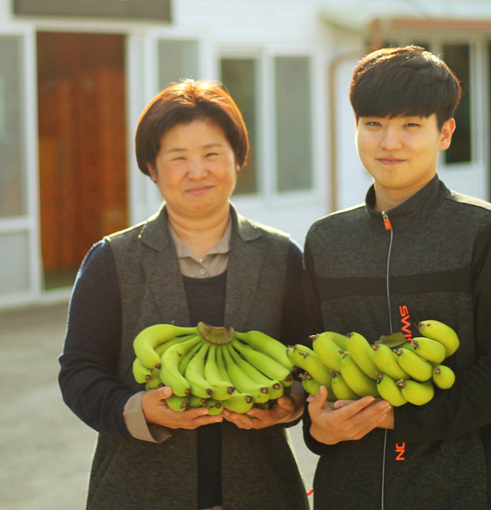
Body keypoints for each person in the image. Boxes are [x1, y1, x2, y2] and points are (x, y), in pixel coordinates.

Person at [302, 46, 491, 510]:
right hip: (347, 491)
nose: (389, 142)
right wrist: (318, 429)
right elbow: (308, 362)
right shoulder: (326, 240)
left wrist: (401, 417)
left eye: (410, 125)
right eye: (373, 124)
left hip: (459, 491)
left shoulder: (487, 232)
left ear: (445, 132)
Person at [59, 79, 309, 510]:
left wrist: (290, 406)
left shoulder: (281, 256)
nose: (198, 171)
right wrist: (137, 408)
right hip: (136, 491)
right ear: (152, 168)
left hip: (263, 491)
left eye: (212, 154)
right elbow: (79, 372)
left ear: (238, 159)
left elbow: (308, 358)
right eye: (178, 158)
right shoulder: (111, 260)